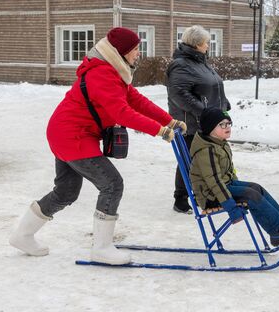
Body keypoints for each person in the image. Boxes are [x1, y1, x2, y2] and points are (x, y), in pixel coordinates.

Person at [9, 27, 186, 265]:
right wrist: (160, 131)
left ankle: (23, 235)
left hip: (68, 133)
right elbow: (121, 112)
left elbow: (136, 101)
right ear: (121, 52)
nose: (138, 53)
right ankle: (102, 247)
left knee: (66, 192)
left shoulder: (114, 72)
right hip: (73, 136)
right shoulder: (102, 74)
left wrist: (169, 120)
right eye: (135, 49)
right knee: (112, 184)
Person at [189, 107, 279, 247]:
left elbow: (229, 171)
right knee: (250, 195)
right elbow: (214, 181)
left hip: (223, 187)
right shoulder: (207, 150)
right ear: (210, 128)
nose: (227, 127)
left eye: (229, 123)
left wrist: (239, 187)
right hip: (211, 196)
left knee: (255, 188)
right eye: (222, 124)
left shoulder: (219, 143)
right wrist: (231, 207)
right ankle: (278, 231)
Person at [167, 25, 231, 214]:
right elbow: (179, 94)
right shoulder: (181, 65)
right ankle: (180, 199)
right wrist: (204, 112)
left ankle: (209, 193)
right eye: (206, 43)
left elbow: (213, 85)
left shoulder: (200, 61)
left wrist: (223, 104)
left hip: (210, 120)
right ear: (196, 44)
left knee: (208, 159)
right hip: (191, 123)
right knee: (189, 160)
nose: (208, 46)